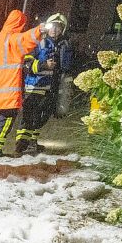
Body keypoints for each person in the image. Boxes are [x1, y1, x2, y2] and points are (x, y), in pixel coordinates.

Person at [0, 10, 44, 160]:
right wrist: (40, 29)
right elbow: (28, 39)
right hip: (7, 92)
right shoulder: (12, 40)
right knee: (4, 120)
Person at [15, 13, 72, 155]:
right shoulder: (37, 41)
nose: (55, 30)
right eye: (53, 26)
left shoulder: (62, 45)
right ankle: (21, 145)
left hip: (50, 88)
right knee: (29, 118)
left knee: (42, 117)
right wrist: (43, 65)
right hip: (35, 87)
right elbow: (26, 64)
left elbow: (64, 68)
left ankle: (32, 142)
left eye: (58, 27)